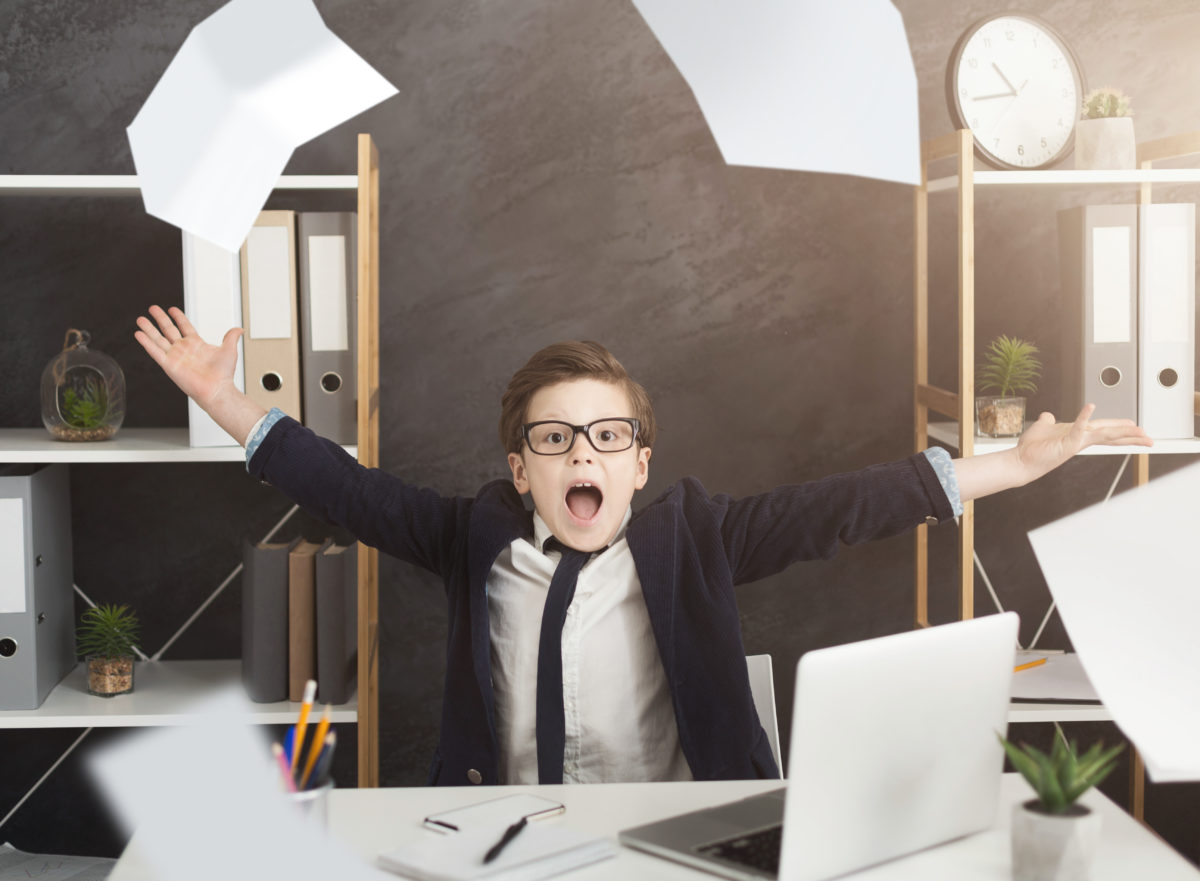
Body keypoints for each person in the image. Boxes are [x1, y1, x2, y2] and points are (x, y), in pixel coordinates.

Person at [134, 305, 1151, 786]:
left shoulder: (699, 535)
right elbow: (343, 488)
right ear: (520, 466)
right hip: (509, 834)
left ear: (640, 463)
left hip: (679, 834)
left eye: (607, 436)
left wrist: (1011, 469)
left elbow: (849, 502)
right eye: (555, 437)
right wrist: (225, 398)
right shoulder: (468, 534)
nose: (584, 452)